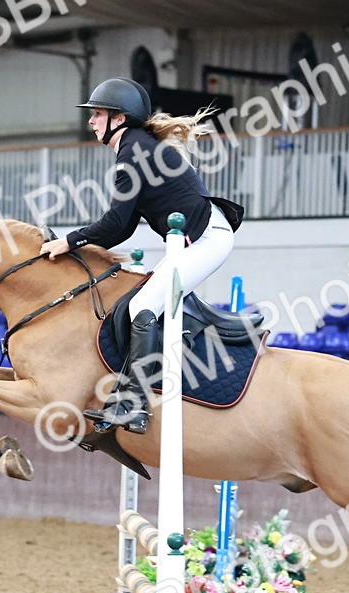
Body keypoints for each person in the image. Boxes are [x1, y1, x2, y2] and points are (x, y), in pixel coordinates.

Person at [40, 77, 244, 435]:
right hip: (198, 238)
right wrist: (80, 245)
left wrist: (69, 241)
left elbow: (116, 221)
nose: (90, 121)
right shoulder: (136, 147)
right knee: (141, 301)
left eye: (98, 114)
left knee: (142, 307)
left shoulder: (132, 153)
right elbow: (123, 228)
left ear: (119, 119)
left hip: (207, 239)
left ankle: (135, 406)